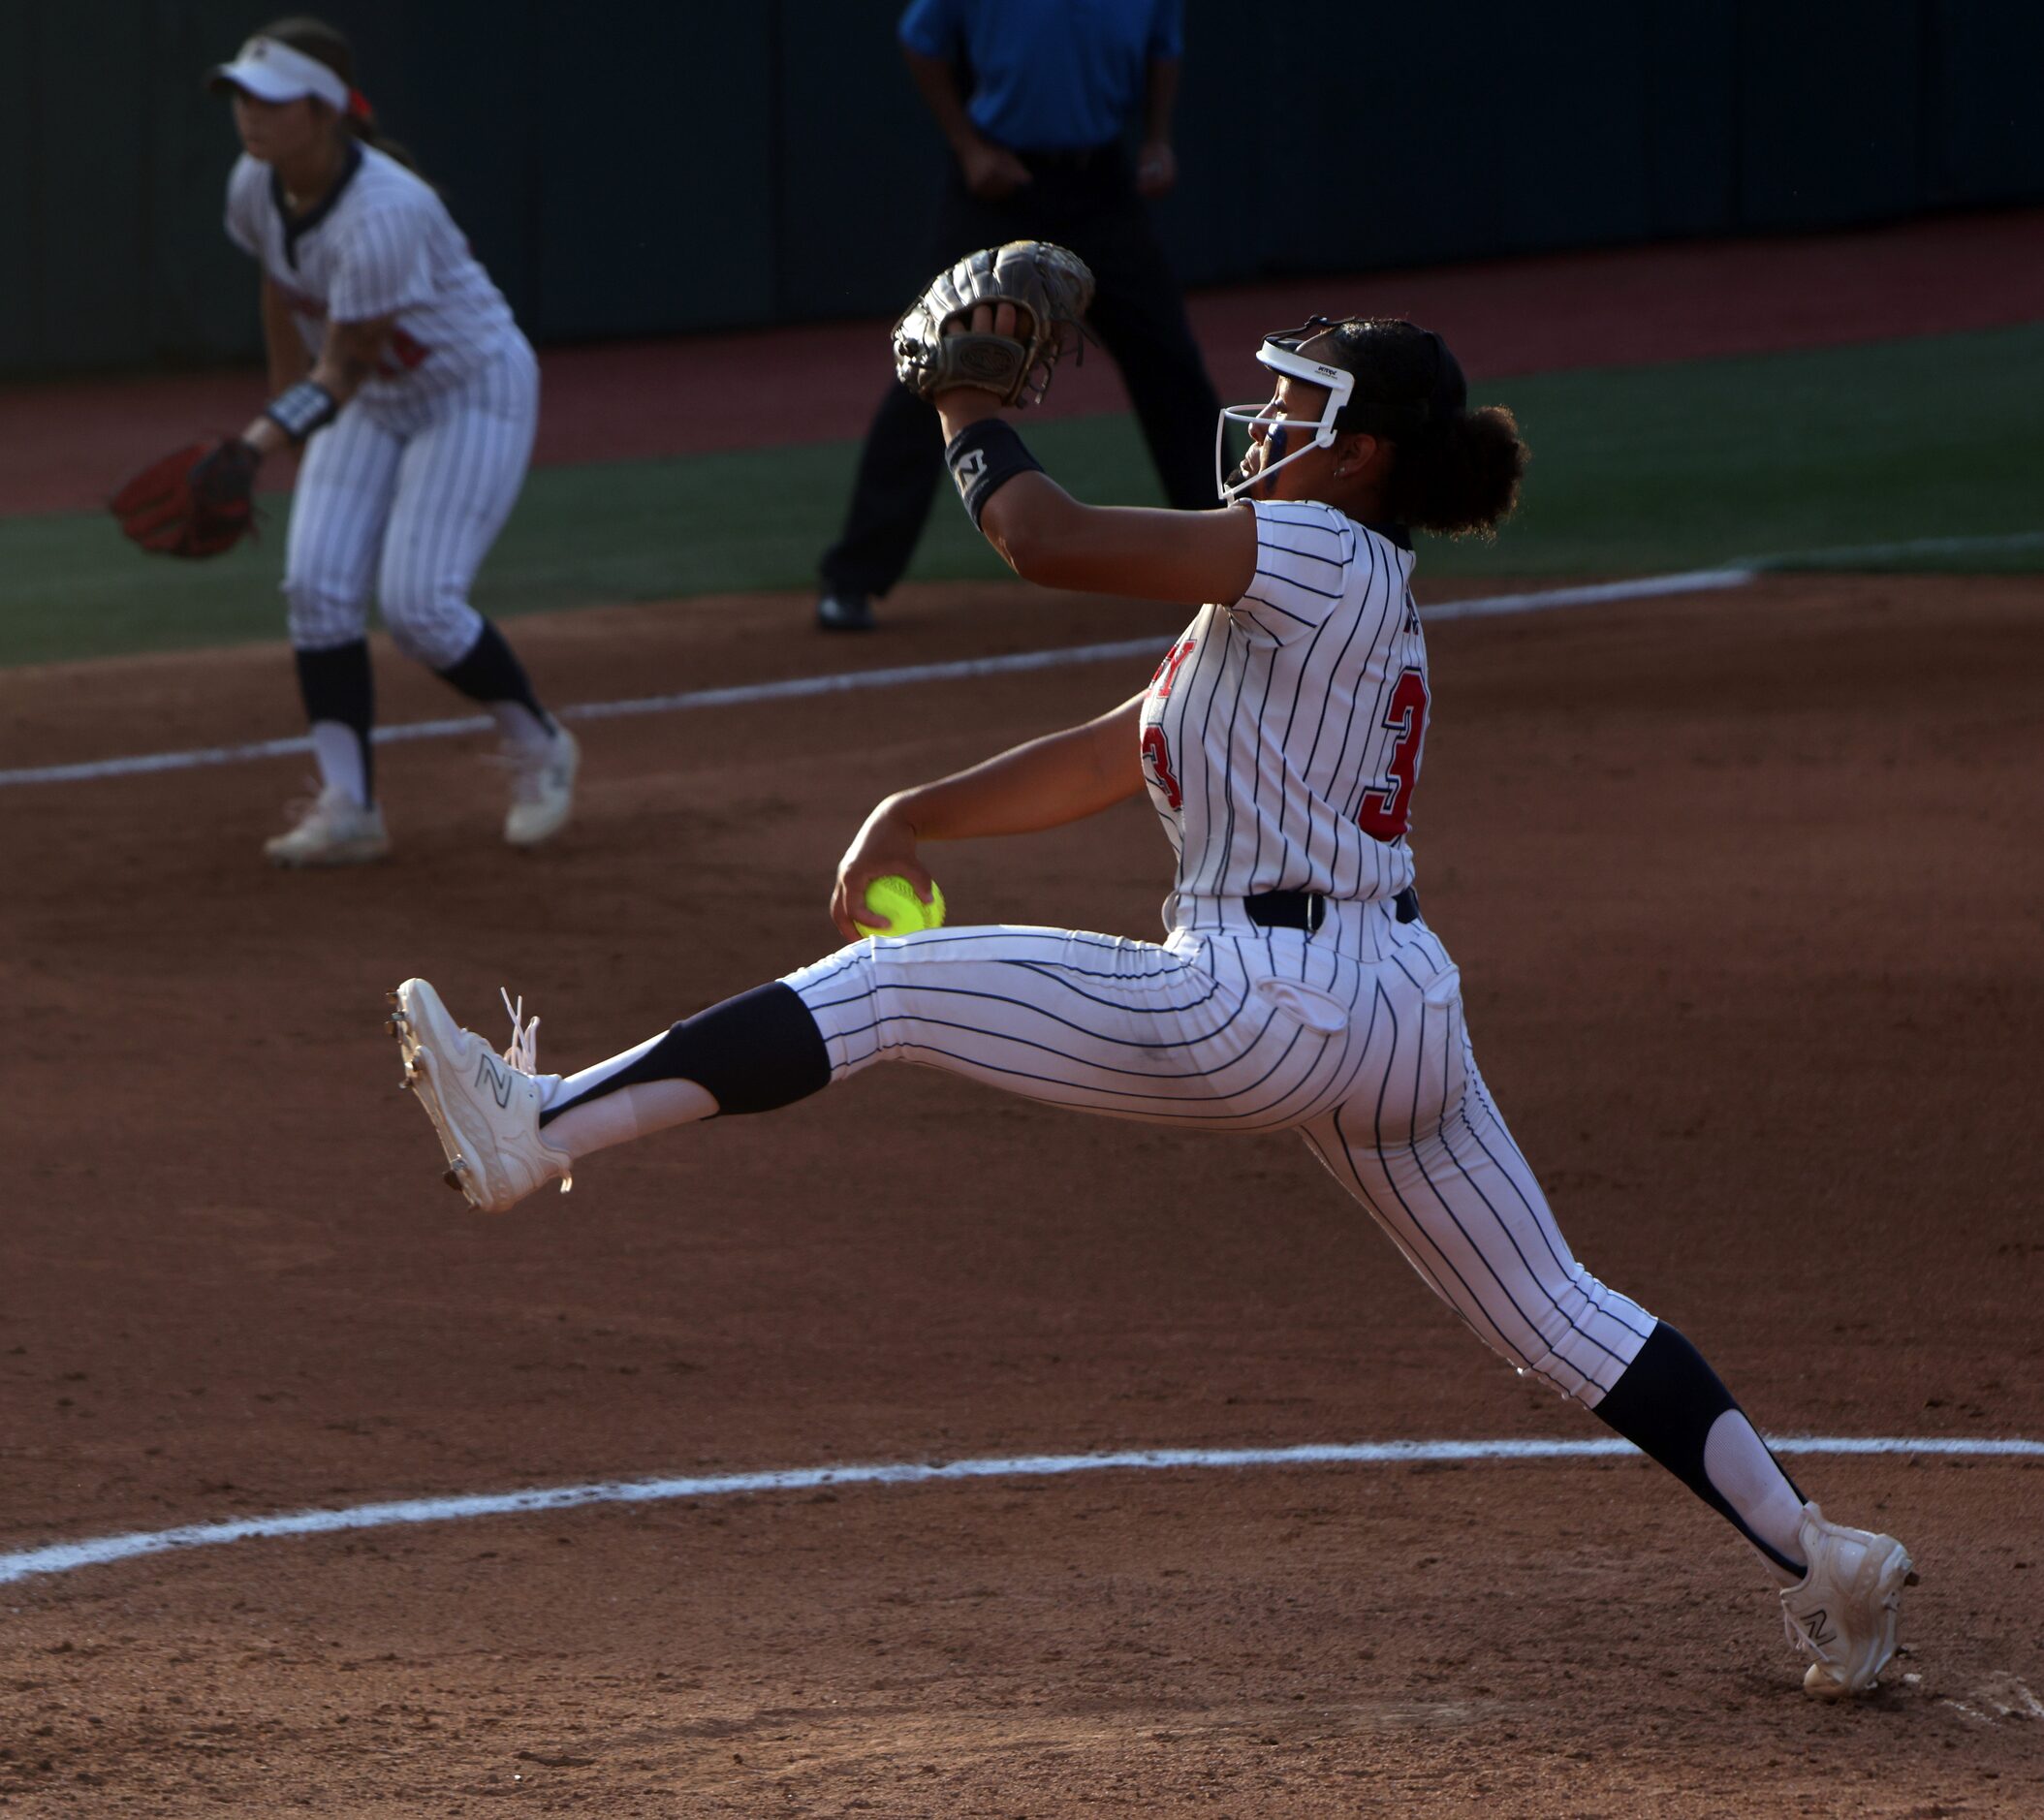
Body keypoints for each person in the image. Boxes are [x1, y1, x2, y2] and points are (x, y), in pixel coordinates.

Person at [389, 306, 1914, 1699]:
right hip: (1396, 1017)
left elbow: (1037, 533)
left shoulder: (1313, 552)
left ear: (1364, 450)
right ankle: (1823, 1558)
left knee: (889, 991)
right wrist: (914, 811)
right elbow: (1124, 745)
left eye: (1296, 407)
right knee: (1559, 1312)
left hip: (1262, 1001)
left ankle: (535, 1124)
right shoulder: (1298, 595)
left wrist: (962, 402)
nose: (1262, 424)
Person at [207, 19, 579, 865]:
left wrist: (262, 438)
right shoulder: (252, 184)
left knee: (420, 607)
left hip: (467, 390)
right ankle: (350, 805)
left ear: (324, 108)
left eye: (267, 99)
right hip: (369, 399)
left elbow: (344, 362)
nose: (247, 115)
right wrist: (279, 404)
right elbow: (281, 286)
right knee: (314, 585)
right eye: (239, 95)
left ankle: (539, 743)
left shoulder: (386, 211)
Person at [814, 0, 1221, 632]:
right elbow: (919, 39)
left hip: (1100, 185)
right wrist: (967, 146)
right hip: (999, 182)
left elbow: (1163, 48)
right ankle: (852, 577)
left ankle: (1235, 565)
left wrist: (1158, 138)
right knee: (935, 363)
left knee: (1169, 365)